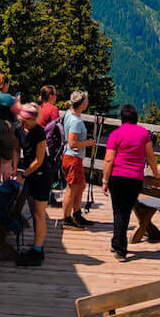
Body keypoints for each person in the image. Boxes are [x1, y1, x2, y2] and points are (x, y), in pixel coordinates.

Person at [101, 104, 160, 261]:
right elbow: (150, 156)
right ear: (136, 118)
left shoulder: (115, 134)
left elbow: (109, 159)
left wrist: (105, 180)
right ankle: (116, 244)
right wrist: (156, 174)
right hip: (135, 178)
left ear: (122, 118)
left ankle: (120, 249)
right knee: (124, 212)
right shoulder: (143, 134)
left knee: (118, 211)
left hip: (117, 177)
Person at [15, 102, 50, 267]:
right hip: (29, 174)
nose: (24, 124)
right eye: (22, 120)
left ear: (34, 120)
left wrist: (23, 174)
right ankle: (38, 246)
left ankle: (37, 252)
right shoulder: (19, 130)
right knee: (34, 212)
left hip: (41, 176)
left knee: (39, 214)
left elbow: (39, 160)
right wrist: (15, 169)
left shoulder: (39, 132)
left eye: (26, 121)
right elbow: (16, 150)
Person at [60, 90, 95, 228]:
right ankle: (67, 219)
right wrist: (88, 143)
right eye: (86, 100)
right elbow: (72, 143)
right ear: (81, 104)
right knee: (72, 188)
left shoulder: (69, 114)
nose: (87, 102)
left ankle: (77, 214)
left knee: (80, 186)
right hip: (73, 157)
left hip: (73, 157)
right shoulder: (76, 121)